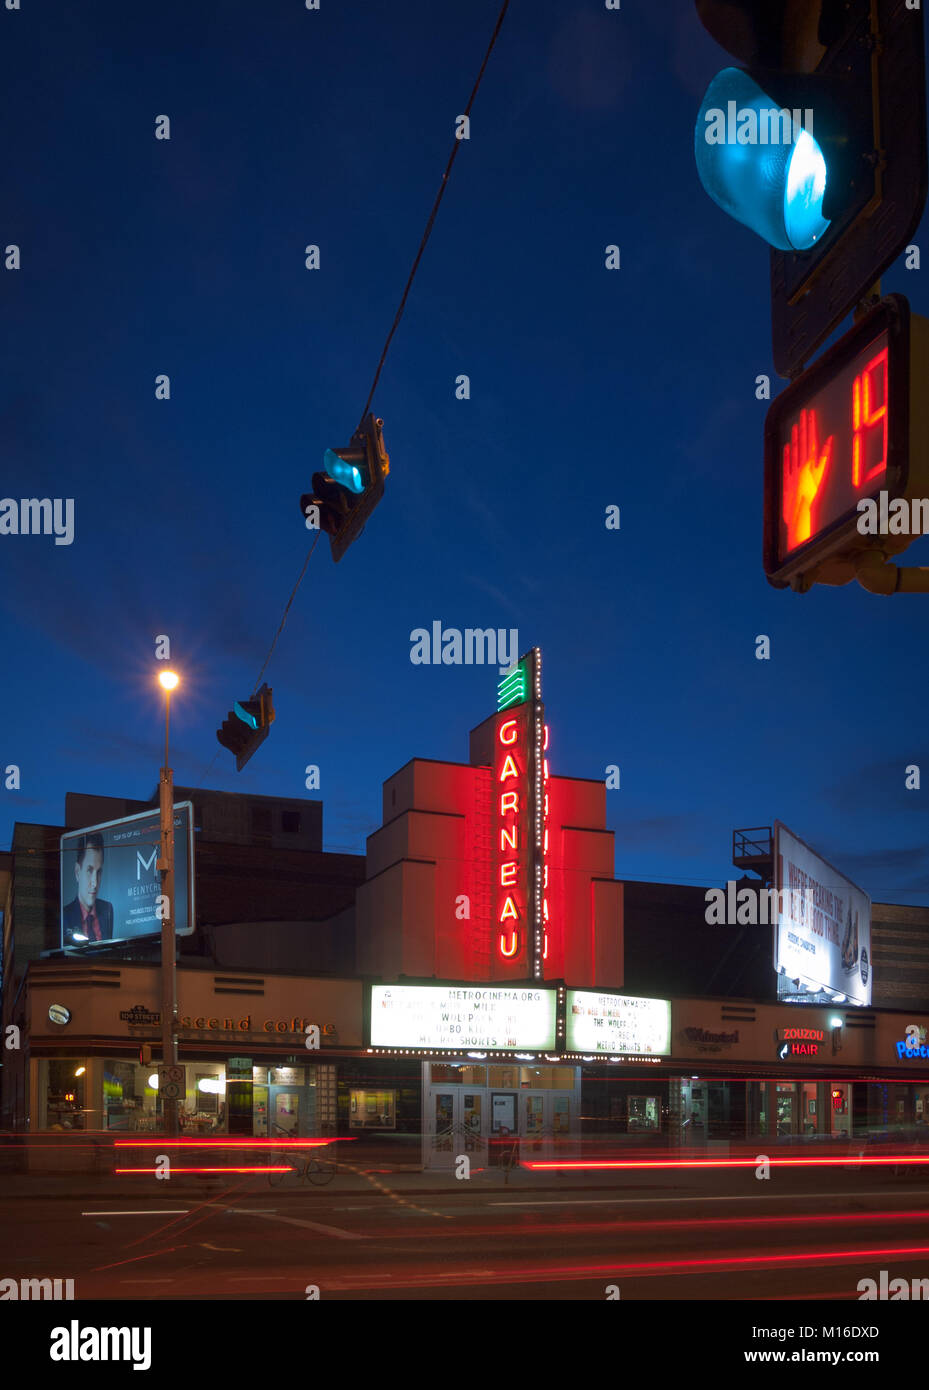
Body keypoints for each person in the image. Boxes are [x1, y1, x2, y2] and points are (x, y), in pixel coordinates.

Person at [63, 833, 115, 943]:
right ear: (77, 872)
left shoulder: (107, 909)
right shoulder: (65, 916)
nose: (95, 883)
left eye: (99, 872)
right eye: (89, 870)